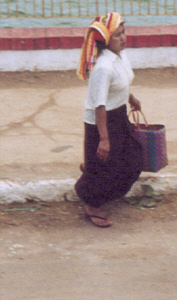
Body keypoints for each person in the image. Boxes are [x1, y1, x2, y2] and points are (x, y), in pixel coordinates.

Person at [75, 12, 143, 228]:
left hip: (119, 114)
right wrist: (104, 139)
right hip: (101, 122)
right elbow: (99, 105)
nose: (123, 38)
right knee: (108, 166)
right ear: (106, 40)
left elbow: (122, 83)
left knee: (132, 159)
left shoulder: (121, 56)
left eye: (123, 33)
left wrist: (131, 98)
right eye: (116, 35)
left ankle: (90, 171)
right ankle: (91, 202)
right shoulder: (103, 67)